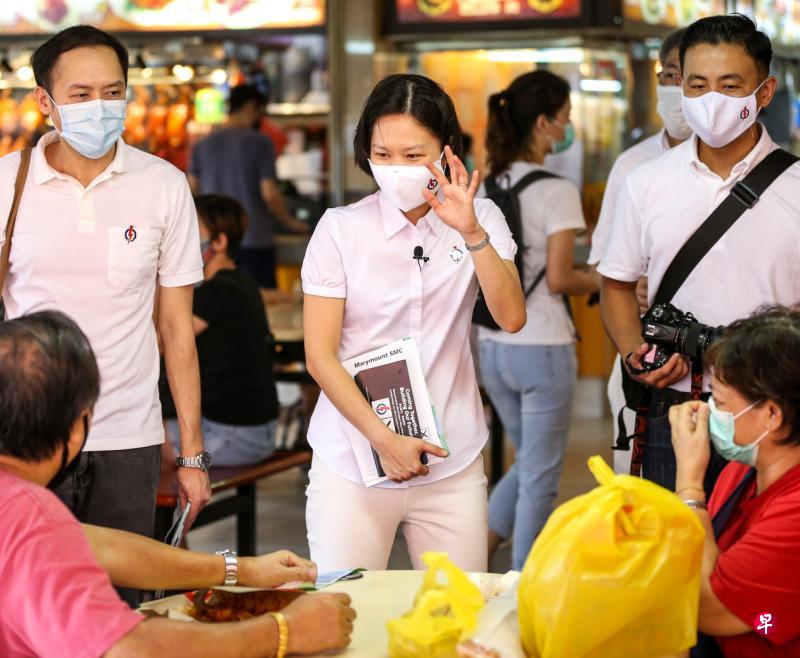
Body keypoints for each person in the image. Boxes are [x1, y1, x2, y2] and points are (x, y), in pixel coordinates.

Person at [0, 310, 355, 658]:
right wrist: (285, 631)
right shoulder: (32, 518)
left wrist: (240, 569)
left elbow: (97, 546)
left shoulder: (23, 514)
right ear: (78, 429)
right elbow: (128, 648)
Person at [0, 25, 211, 603]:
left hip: (129, 436)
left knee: (122, 603)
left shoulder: (164, 185)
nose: (101, 107)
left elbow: (176, 331)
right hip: (28, 435)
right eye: (81, 93)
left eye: (112, 92)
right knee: (30, 598)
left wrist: (190, 453)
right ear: (45, 102)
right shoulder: (5, 186)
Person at [302, 73, 526, 572]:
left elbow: (511, 317)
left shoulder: (481, 217)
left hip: (452, 459)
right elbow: (319, 356)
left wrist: (469, 231)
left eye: (412, 154)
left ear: (447, 151)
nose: (396, 169)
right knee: (348, 618)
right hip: (353, 459)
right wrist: (385, 441)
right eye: (382, 155)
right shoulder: (340, 229)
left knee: (457, 620)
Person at [598, 14, 800, 494]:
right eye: (697, 85)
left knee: (768, 558)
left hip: (777, 408)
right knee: (676, 551)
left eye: (731, 86)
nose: (712, 100)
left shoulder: (796, 186)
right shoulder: (645, 182)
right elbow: (616, 287)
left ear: (764, 93)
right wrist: (636, 356)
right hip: (675, 407)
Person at [477, 70, 600, 570]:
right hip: (543, 344)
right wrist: (605, 280)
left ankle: (476, 551)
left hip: (490, 342)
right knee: (541, 472)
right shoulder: (556, 189)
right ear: (546, 124)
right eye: (566, 119)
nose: (568, 129)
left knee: (529, 462)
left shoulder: (485, 184)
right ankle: (523, 582)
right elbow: (559, 277)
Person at [590, 27, 691, 475]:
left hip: (724, 363)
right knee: (642, 487)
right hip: (643, 351)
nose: (679, 90)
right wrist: (629, 288)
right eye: (669, 75)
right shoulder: (633, 164)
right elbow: (603, 265)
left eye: (692, 80)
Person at [670, 307, 800, 656]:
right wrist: (760, 618)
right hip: (763, 624)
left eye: (722, 402)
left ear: (772, 414)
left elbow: (709, 611)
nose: (710, 411)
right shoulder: (745, 469)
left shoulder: (794, 513)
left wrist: (690, 483)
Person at [162, 194, 279, 466]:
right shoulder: (243, 282)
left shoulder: (215, 292)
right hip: (259, 430)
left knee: (138, 438)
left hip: (234, 435)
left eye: (192, 233)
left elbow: (162, 340)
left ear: (219, 242)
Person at [188, 84, 308, 289]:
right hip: (253, 237)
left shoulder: (203, 144)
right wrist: (291, 222)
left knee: (215, 305)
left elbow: (190, 190)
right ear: (252, 107)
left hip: (212, 241)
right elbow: (269, 193)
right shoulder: (261, 142)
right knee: (259, 303)